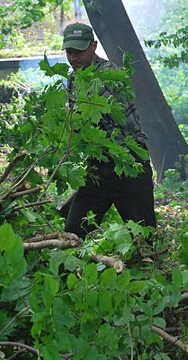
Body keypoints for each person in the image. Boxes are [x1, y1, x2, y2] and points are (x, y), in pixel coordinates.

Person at [61, 22, 156, 239]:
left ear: (93, 46)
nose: (73, 58)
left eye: (78, 52)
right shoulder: (74, 79)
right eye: (69, 52)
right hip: (98, 165)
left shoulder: (112, 76)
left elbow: (127, 128)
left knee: (144, 237)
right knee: (74, 230)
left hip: (128, 162)